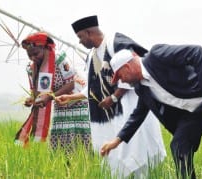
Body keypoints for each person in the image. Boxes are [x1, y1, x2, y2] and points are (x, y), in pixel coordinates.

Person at [56, 15, 166, 178]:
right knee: (113, 158)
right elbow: (92, 86)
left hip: (129, 110)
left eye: (80, 37)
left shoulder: (116, 44)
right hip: (107, 120)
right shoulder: (91, 56)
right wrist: (71, 97)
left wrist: (114, 97)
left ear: (89, 33)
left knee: (137, 152)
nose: (79, 41)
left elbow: (135, 71)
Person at [100, 44, 202, 179]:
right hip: (195, 111)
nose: (122, 81)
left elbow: (197, 52)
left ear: (127, 68)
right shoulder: (141, 88)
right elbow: (138, 114)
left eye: (120, 76)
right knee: (179, 145)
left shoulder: (156, 56)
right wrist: (117, 141)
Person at [15, 32, 91, 153]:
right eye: (30, 56)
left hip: (77, 101)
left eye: (36, 54)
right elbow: (35, 92)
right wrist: (31, 100)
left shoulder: (58, 58)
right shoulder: (31, 68)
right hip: (60, 103)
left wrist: (49, 97)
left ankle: (84, 166)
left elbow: (71, 83)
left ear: (45, 48)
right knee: (60, 143)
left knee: (80, 142)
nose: (33, 58)